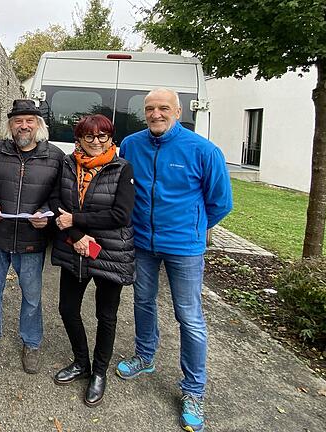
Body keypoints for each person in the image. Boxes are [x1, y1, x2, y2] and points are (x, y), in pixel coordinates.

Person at [116, 88, 232, 432]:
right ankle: (144, 356)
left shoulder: (203, 150)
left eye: (163, 108)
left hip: (184, 247)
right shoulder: (131, 145)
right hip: (143, 243)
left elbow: (220, 203)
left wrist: (192, 228)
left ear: (177, 111)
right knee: (142, 301)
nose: (156, 114)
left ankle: (194, 390)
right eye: (150, 108)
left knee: (189, 316)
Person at [0, 99, 64, 374]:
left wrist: (45, 214)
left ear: (38, 125)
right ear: (10, 125)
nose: (23, 126)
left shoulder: (55, 157)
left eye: (29, 121)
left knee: (32, 296)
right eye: (18, 121)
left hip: (31, 240)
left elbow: (59, 196)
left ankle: (31, 342)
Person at [50, 114, 135, 407]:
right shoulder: (66, 164)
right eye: (89, 136)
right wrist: (76, 234)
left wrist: (77, 219)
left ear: (111, 139)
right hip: (76, 247)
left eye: (102, 136)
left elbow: (120, 215)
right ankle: (81, 362)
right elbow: (54, 203)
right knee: (67, 308)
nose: (96, 142)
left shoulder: (121, 168)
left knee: (106, 315)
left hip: (110, 252)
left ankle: (99, 372)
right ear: (79, 139)